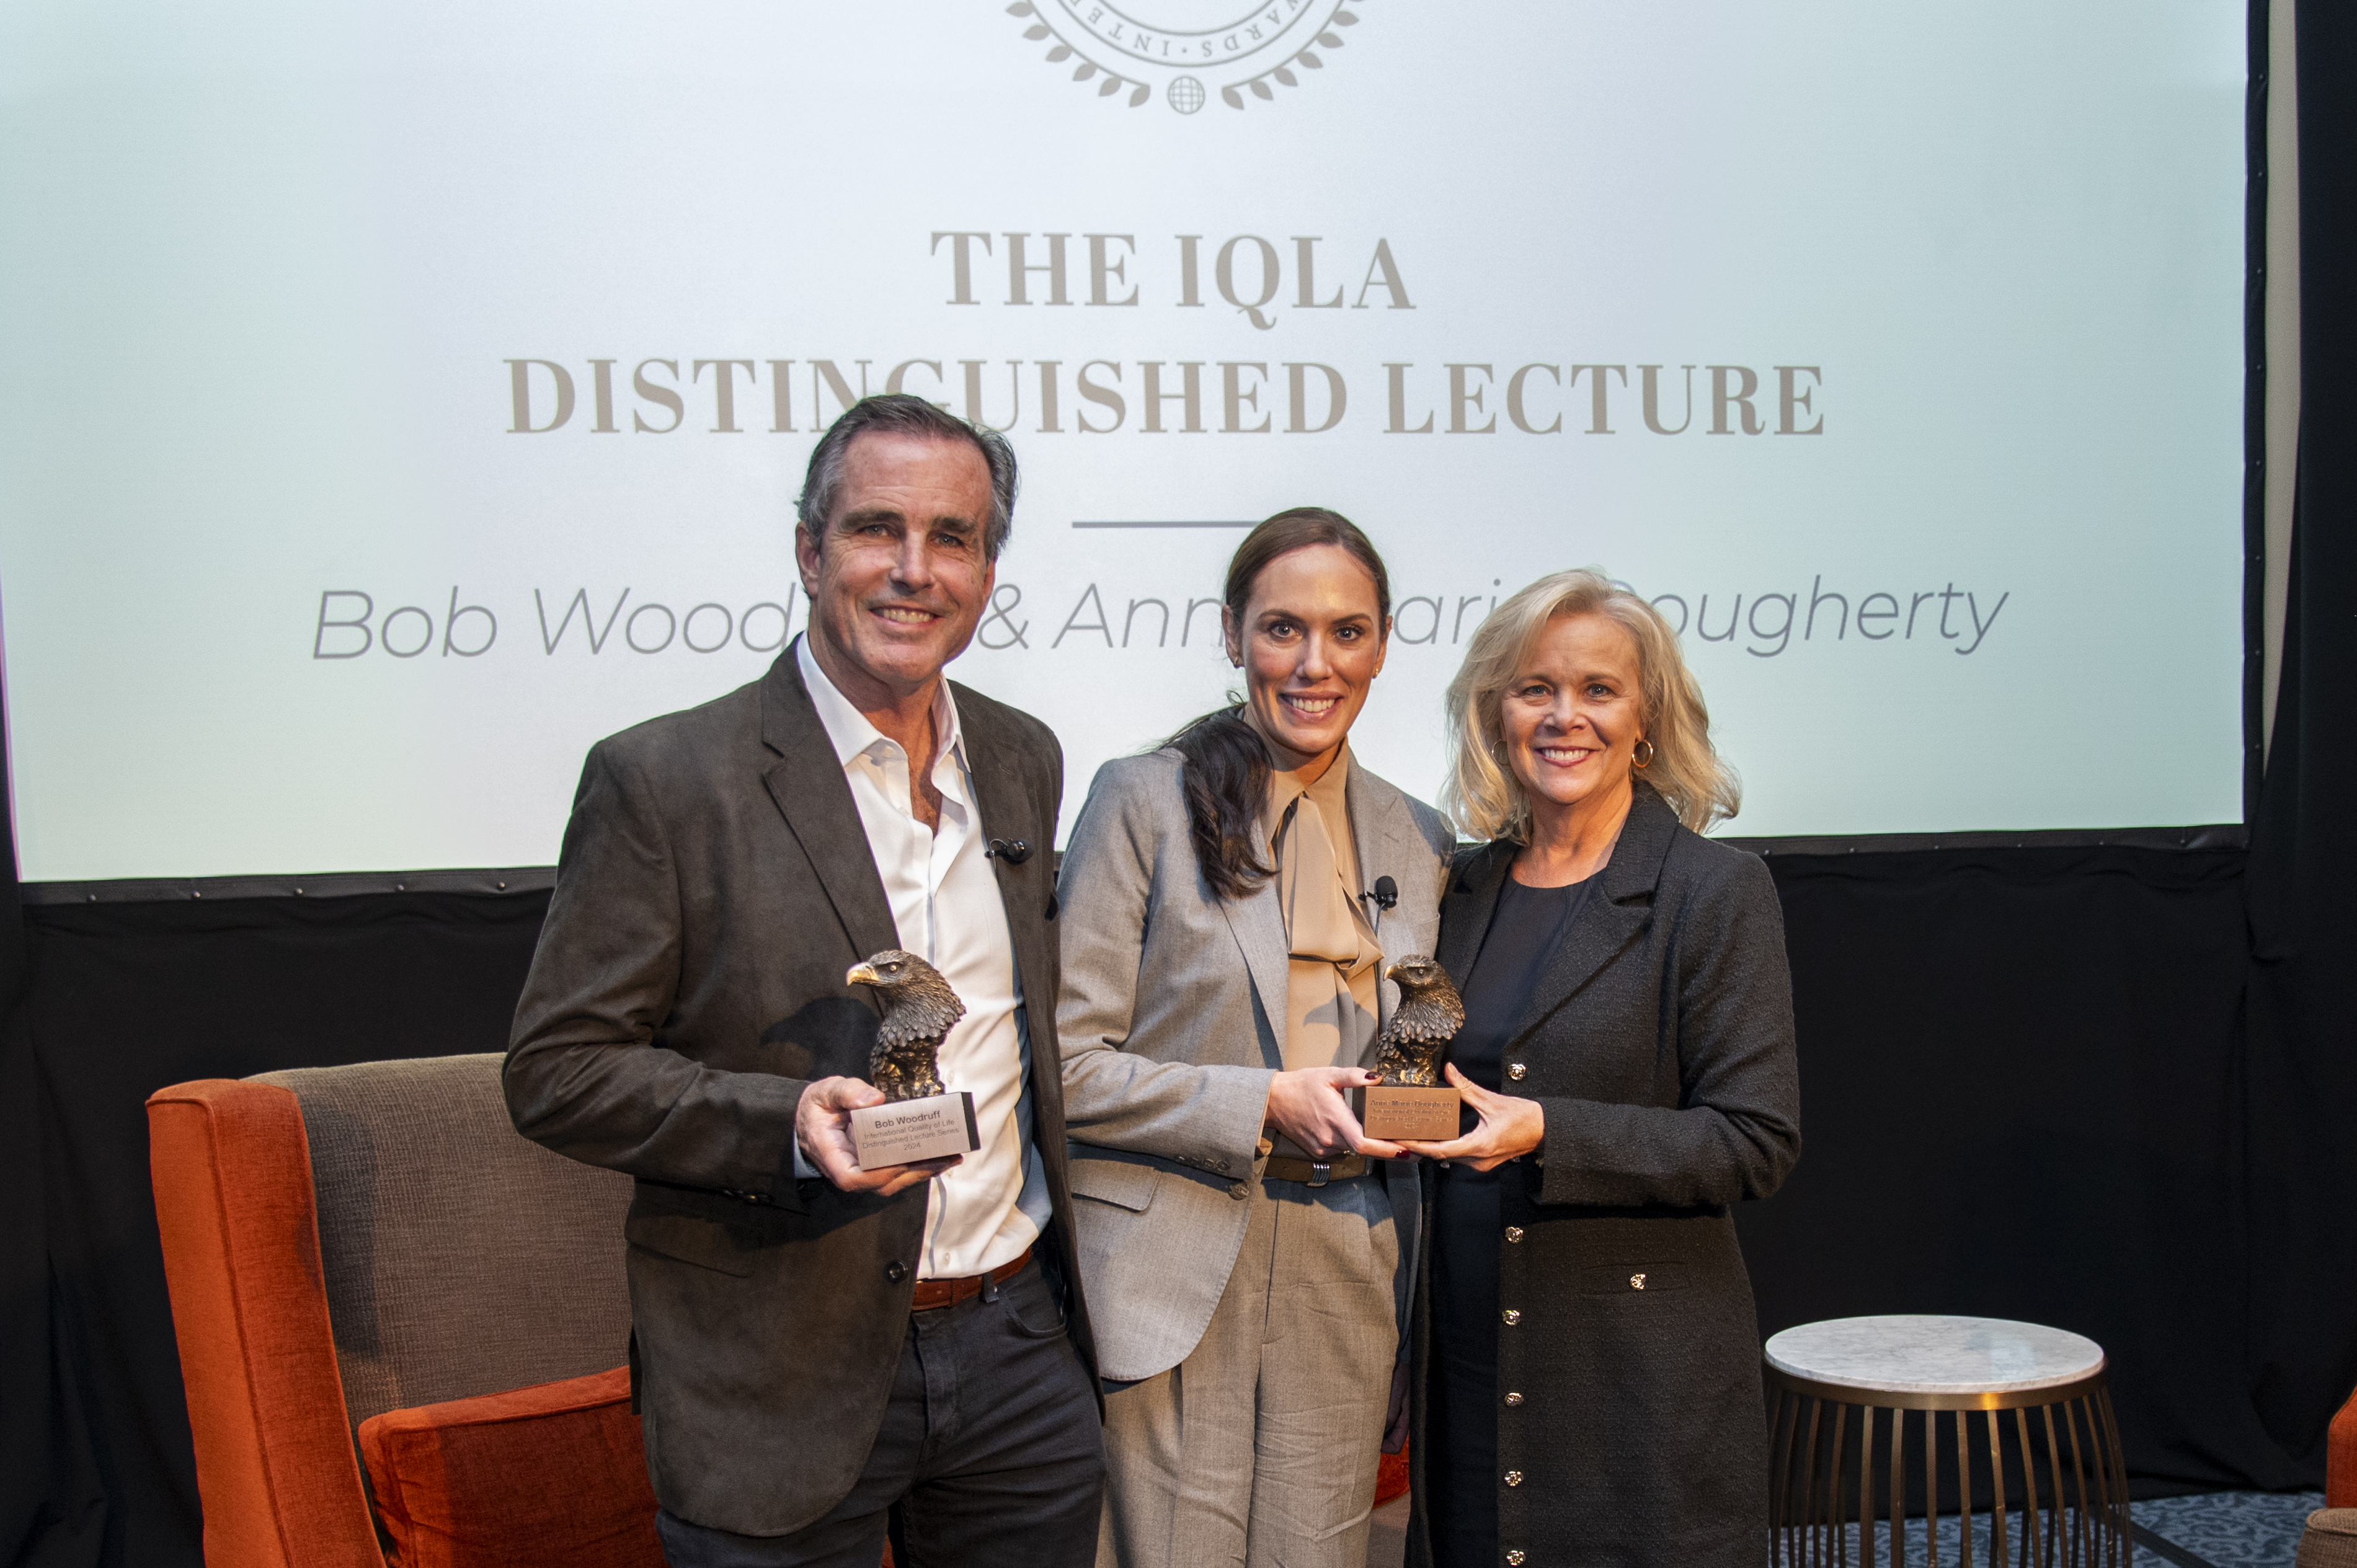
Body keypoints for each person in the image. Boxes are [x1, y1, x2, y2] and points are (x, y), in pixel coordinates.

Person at [504, 394, 1103, 1568]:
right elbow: (557, 1072)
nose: (914, 571)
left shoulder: (1022, 753)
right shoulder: (665, 779)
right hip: (777, 1360)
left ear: (989, 569)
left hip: (1016, 1346)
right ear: (808, 550)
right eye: (878, 528)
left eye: (955, 538)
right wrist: (785, 1120)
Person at [1055, 508, 1458, 1568]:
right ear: (1232, 635)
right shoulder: (1139, 799)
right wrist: (1257, 1102)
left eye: (1346, 631)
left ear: (1380, 643)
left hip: (1348, 1259)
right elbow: (1063, 1064)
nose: (1313, 663)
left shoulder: (1421, 833)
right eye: (1282, 628)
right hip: (1172, 1262)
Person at [1399, 568, 1802, 1568]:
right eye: (1534, 687)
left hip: (1627, 1373)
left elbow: (1755, 1140)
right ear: (1495, 713)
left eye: (1596, 689)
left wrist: (1546, 1130)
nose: (1562, 716)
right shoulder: (1460, 885)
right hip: (1467, 1343)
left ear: (1646, 718)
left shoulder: (1711, 891)